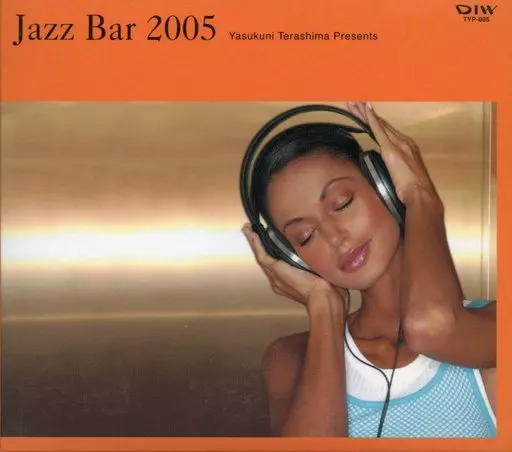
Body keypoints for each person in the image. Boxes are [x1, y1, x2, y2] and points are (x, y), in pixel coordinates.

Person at [241, 102, 496, 437]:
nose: (336, 237)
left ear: (385, 186)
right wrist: (324, 308)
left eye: (342, 203)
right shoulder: (290, 359)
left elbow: (432, 326)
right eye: (305, 236)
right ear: (294, 258)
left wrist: (422, 198)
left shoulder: (493, 326)